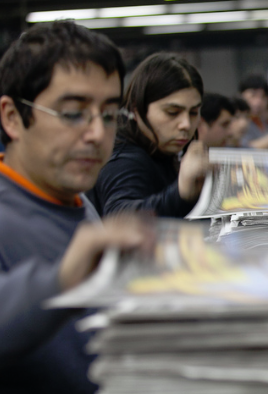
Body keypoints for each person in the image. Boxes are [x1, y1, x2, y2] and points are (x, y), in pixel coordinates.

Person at [0, 20, 155, 394]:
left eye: (107, 115)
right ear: (13, 118)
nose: (97, 134)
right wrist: (60, 278)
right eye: (72, 113)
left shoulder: (78, 202)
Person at [88, 52, 209, 218]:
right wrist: (180, 193)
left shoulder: (162, 153)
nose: (186, 124)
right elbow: (120, 218)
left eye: (193, 112)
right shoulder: (125, 159)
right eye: (172, 112)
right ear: (137, 110)